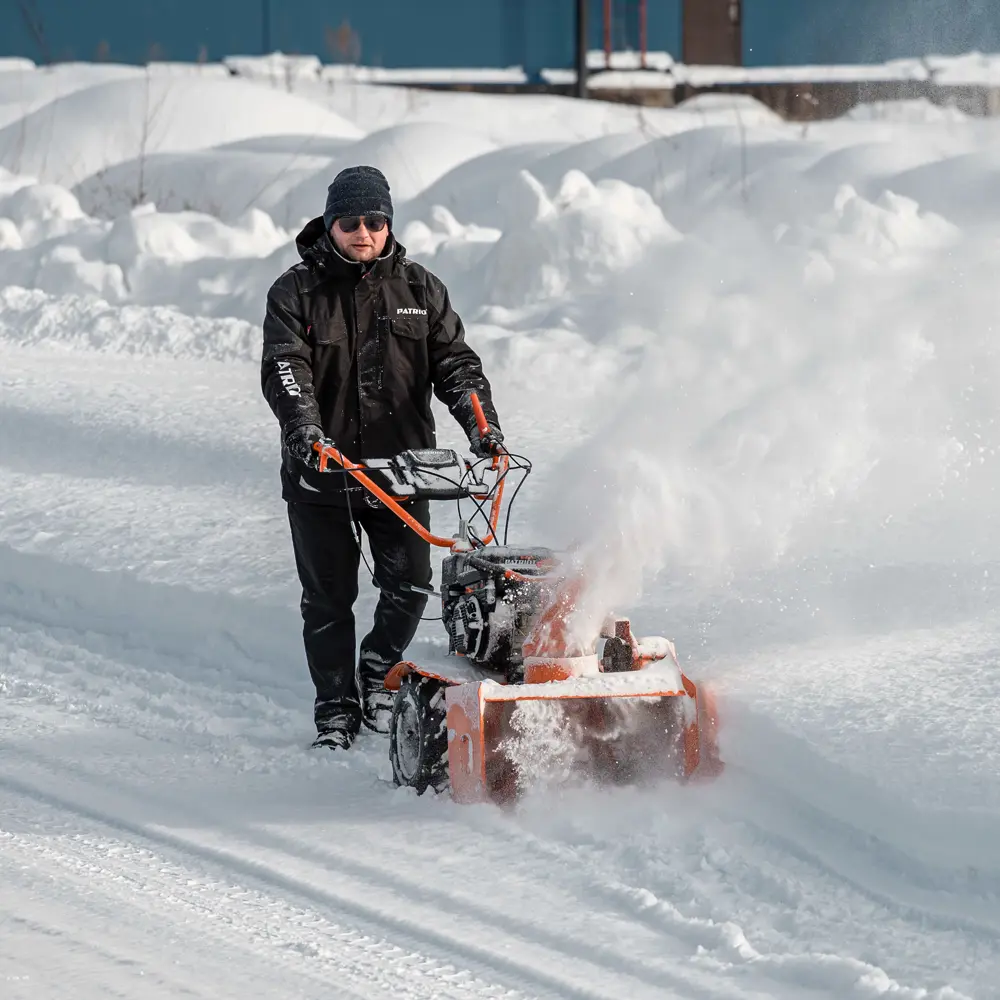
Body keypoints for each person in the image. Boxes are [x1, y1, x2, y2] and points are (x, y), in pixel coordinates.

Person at [261, 165, 503, 750]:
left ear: (389, 223)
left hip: (401, 469)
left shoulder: (421, 289)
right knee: (327, 597)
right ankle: (336, 709)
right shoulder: (296, 291)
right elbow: (285, 369)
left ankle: (378, 668)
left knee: (411, 583)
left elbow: (456, 367)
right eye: (350, 222)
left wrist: (484, 429)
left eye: (375, 221)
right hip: (322, 471)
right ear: (331, 224)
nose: (363, 232)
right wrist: (306, 433)